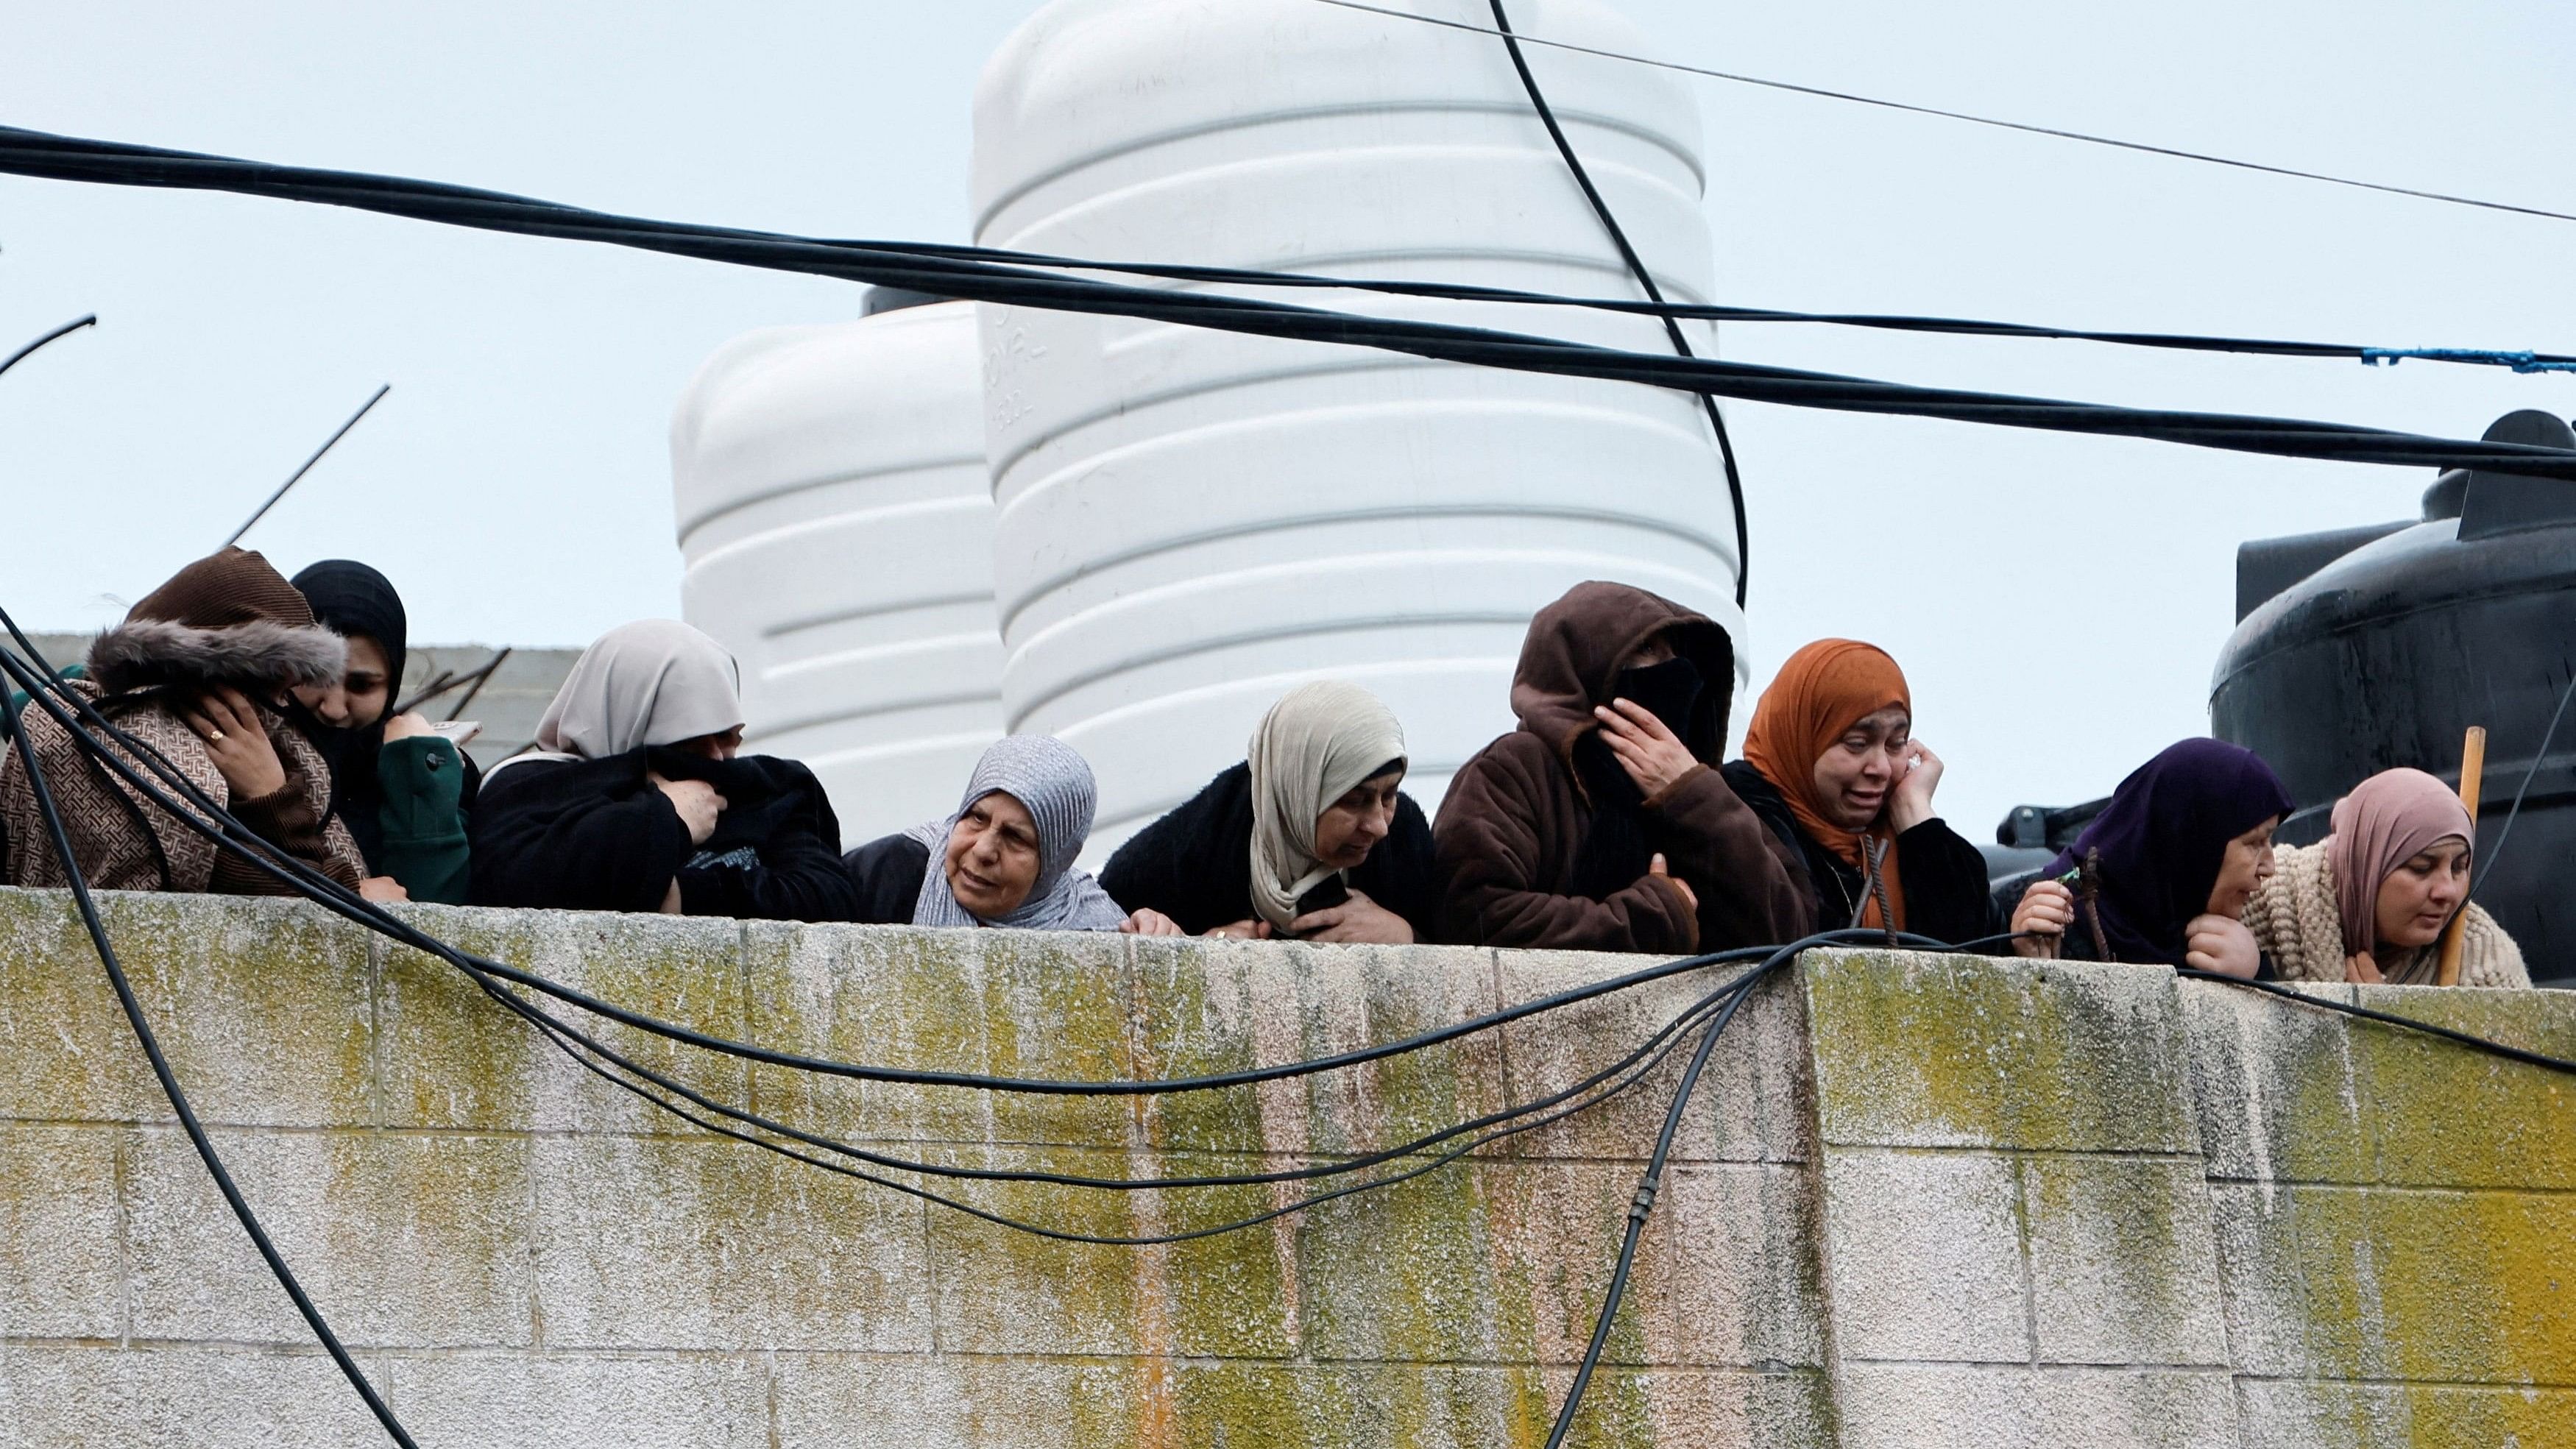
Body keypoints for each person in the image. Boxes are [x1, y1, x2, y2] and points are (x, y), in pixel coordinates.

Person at [1434, 581, 1814, 954]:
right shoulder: (1516, 769)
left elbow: (1792, 937)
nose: (1678, 672)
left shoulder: (1701, 792)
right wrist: (1652, 919)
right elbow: (1473, 919)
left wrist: (1691, 796)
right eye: (1648, 649)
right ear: (1587, 664)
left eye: (1678, 654)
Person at [0, 548, 364, 894]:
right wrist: (271, 799)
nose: (277, 713)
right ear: (217, 677)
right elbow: (281, 898)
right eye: (274, 688)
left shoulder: (277, 747)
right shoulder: (91, 736)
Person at [468, 620, 856, 921]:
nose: (718, 760)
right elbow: (520, 885)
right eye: (691, 742)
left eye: (729, 738)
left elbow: (828, 899)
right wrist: (665, 819)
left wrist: (681, 894)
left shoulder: (770, 792)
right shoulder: (528, 792)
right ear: (630, 719)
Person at [1101, 680, 1437, 943]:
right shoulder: (1196, 851)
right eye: (1353, 800)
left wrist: (1405, 936)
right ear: (1299, 792)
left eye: (1389, 796)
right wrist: (1194, 950)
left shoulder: (1405, 843)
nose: (1379, 826)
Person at [1722, 639, 1994, 945]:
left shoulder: (1908, 839)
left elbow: (1965, 962)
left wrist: (1918, 816)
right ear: (1802, 740)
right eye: (1857, 743)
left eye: (1896, 743)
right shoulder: (1738, 814)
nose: (1882, 768)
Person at [843, 734, 1180, 934]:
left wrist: (1165, 953)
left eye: (1015, 838)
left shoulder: (1098, 929)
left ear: (1054, 863)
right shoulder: (893, 873)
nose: (984, 850)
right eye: (976, 818)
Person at [2010, 738, 2292, 975]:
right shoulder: (2030, 918)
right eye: (2254, 842)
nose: (2269, 867)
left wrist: (2253, 978)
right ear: (2190, 840)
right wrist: (2024, 963)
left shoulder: (2228, 948)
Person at [290, 559, 476, 906]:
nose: (334, 707)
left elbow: (436, 916)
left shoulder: (437, 767)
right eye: (314, 675)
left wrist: (418, 778)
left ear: (391, 683)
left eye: (361, 686)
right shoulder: (240, 748)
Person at [2241, 767, 2528, 987]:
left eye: (2458, 867)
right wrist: (2249, 974)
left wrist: (2386, 1033)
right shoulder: (2262, 898)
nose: (2448, 892)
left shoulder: (2485, 963)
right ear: (2365, 865)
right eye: (2421, 867)